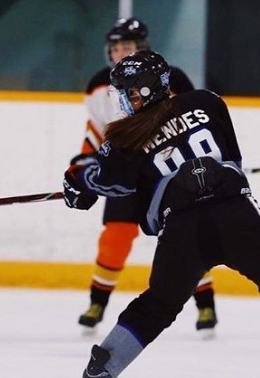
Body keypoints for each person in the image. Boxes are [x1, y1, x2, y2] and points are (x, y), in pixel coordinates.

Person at [62, 51, 260, 377]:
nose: (122, 101)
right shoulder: (207, 102)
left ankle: (102, 370)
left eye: (128, 92)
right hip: (235, 217)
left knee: (156, 307)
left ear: (147, 90)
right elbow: (232, 160)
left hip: (181, 232)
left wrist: (77, 183)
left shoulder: (123, 140)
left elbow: (106, 185)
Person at [71, 17, 218, 337]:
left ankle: (205, 302)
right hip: (125, 176)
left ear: (143, 48)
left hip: (166, 176)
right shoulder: (99, 85)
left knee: (184, 237)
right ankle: (97, 302)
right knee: (115, 238)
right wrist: (85, 166)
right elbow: (97, 132)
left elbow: (191, 125)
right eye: (116, 47)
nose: (121, 52)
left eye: (128, 47)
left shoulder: (170, 78)